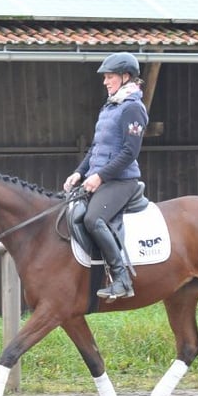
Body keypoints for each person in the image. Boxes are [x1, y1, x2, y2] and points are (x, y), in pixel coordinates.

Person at [63, 52, 149, 301]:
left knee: (93, 219)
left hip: (122, 180)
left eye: (109, 76)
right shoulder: (111, 106)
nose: (105, 81)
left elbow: (130, 152)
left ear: (125, 77)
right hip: (100, 177)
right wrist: (79, 172)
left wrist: (99, 177)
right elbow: (96, 148)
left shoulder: (133, 108)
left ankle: (122, 280)